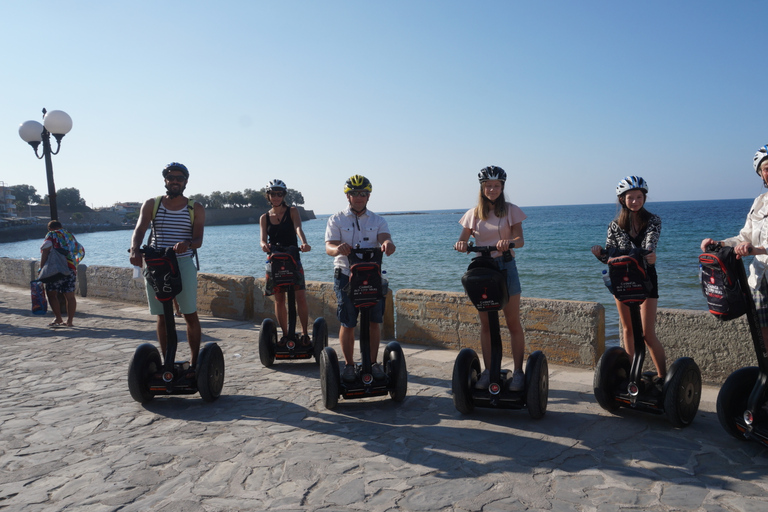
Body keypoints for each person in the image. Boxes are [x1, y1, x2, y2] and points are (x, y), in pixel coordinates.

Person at [454, 166, 527, 391]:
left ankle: (517, 372)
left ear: (502, 187)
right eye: (488, 186)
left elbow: (520, 240)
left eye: (496, 186)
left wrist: (509, 243)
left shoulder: (511, 210)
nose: (492, 189)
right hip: (482, 269)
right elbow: (462, 239)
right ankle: (488, 371)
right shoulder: (473, 213)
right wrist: (461, 245)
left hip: (505, 267)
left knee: (512, 322)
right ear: (482, 188)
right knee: (486, 324)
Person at [129, 162, 205, 374]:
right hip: (156, 263)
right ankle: (167, 362)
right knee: (162, 314)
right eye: (171, 177)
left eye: (179, 178)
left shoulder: (195, 207)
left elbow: (198, 238)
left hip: (182, 262)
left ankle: (195, 363)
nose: (175, 181)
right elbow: (140, 228)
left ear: (185, 182)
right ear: (165, 180)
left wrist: (187, 244)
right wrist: (135, 250)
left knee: (189, 313)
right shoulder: (152, 204)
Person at [591, 176, 666, 388]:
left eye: (639, 197)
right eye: (630, 197)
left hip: (646, 279)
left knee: (647, 333)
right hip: (621, 278)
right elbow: (610, 255)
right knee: (627, 330)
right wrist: (599, 254)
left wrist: (651, 256)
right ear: (622, 199)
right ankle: (634, 374)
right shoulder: (614, 225)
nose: (635, 201)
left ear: (644, 198)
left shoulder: (653, 220)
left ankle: (663, 378)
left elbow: (649, 247)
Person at [325, 175, 396, 382]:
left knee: (375, 320)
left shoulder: (378, 220)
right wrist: (337, 248)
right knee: (348, 322)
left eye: (362, 193)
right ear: (348, 196)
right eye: (354, 193)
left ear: (368, 196)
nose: (358, 197)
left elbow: (385, 238)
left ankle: (373, 363)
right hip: (346, 275)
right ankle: (348, 365)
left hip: (371, 276)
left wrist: (388, 244)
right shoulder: (336, 219)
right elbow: (329, 246)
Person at [701, 145, 768, 346]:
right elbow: (744, 236)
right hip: (759, 278)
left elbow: (754, 246)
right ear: (762, 175)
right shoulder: (759, 202)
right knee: (762, 336)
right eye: (766, 168)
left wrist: (755, 250)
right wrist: (719, 243)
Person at [259, 179, 312, 344]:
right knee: (279, 299)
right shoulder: (264, 217)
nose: (276, 197)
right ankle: (286, 334)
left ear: (284, 195)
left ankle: (304, 334)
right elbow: (262, 239)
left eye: (279, 194)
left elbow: (298, 228)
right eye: (273, 194)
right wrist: (263, 246)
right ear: (268, 196)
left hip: (292, 256)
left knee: (300, 297)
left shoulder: (292, 211)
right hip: (274, 259)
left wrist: (303, 242)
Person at [39, 220, 85, 327]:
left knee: (51, 294)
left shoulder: (51, 236)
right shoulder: (69, 236)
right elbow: (79, 249)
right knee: (70, 296)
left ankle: (58, 318)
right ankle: (69, 321)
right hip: (70, 269)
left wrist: (42, 269)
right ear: (61, 226)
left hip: (55, 271)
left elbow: (45, 251)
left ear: (50, 229)